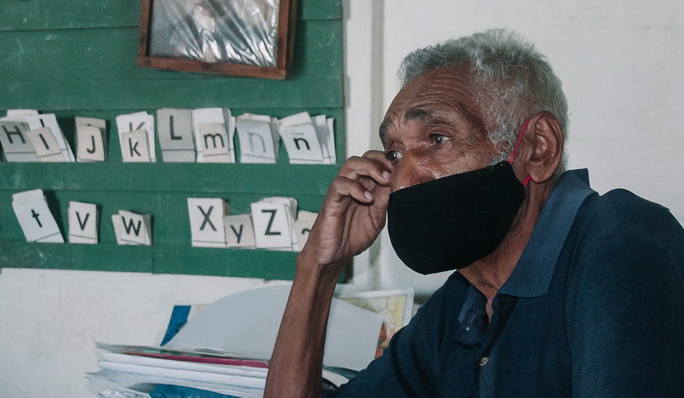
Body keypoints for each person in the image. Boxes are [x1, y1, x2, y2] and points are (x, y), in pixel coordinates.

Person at [264, 29, 684, 397]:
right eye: (394, 152)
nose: (403, 177)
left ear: (537, 148)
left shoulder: (621, 248)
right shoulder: (465, 301)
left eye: (438, 138)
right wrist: (317, 267)